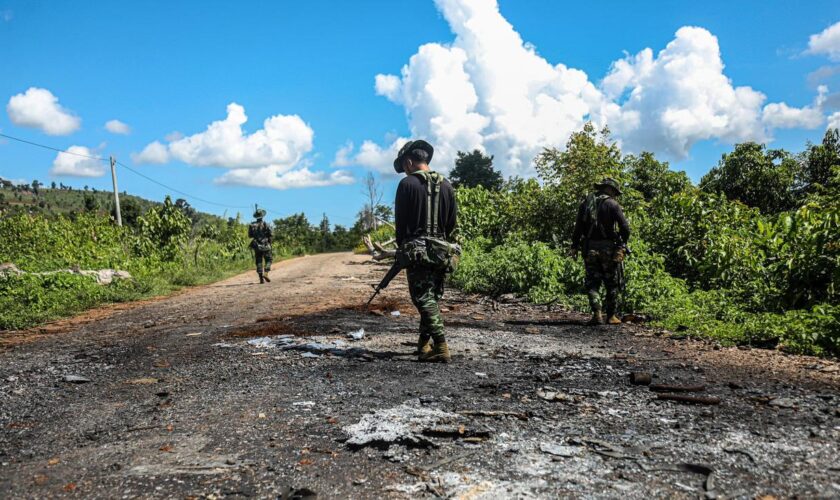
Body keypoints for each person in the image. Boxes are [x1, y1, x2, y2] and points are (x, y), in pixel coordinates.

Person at [394, 140, 459, 362]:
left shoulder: (407, 185)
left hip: (417, 251)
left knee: (422, 299)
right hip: (441, 250)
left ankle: (441, 346)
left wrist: (402, 247)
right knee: (431, 297)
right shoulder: (448, 185)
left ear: (409, 162)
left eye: (404, 166)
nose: (405, 170)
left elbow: (400, 224)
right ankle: (423, 345)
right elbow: (451, 223)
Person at [571, 178, 631, 325]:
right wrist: (622, 244)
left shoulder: (585, 204)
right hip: (608, 249)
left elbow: (578, 228)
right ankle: (611, 316)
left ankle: (597, 314)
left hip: (590, 248)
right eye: (614, 192)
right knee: (612, 283)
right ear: (609, 189)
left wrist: (574, 246)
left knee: (592, 283)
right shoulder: (612, 204)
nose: (615, 195)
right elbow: (625, 228)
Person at [249, 208, 273, 284]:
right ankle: (266, 273)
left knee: (259, 261)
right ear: (262, 216)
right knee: (269, 260)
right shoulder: (266, 224)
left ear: (255, 217)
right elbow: (271, 234)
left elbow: (250, 235)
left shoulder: (252, 225)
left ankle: (261, 279)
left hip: (257, 246)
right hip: (266, 245)